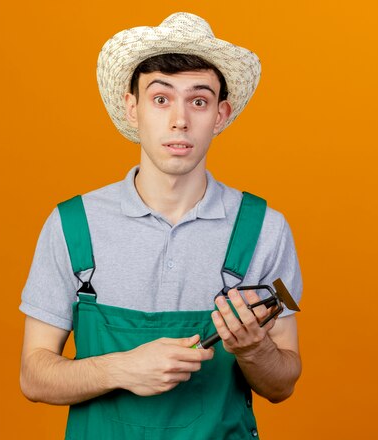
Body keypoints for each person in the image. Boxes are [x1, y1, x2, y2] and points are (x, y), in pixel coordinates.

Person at [19, 12, 303, 439]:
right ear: (133, 108)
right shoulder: (73, 225)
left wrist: (254, 347)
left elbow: (282, 384)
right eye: (161, 98)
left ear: (221, 114)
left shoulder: (265, 228)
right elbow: (33, 376)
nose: (180, 120)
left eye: (199, 101)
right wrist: (122, 367)